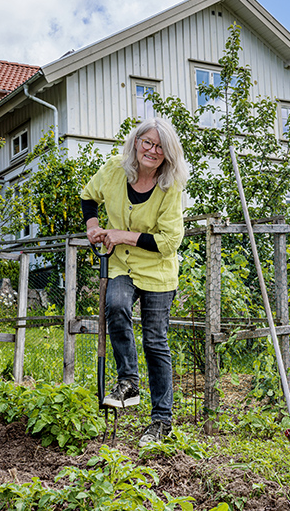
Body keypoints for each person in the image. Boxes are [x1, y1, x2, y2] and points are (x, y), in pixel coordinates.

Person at [80, 117, 189, 446]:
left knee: (156, 342)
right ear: (136, 142)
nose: (152, 151)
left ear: (168, 155)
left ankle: (161, 421)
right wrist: (93, 227)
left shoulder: (170, 187)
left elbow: (169, 242)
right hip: (121, 266)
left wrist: (121, 235)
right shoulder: (115, 169)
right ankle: (128, 379)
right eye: (148, 143)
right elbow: (88, 195)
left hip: (157, 270)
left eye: (160, 147)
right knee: (115, 305)